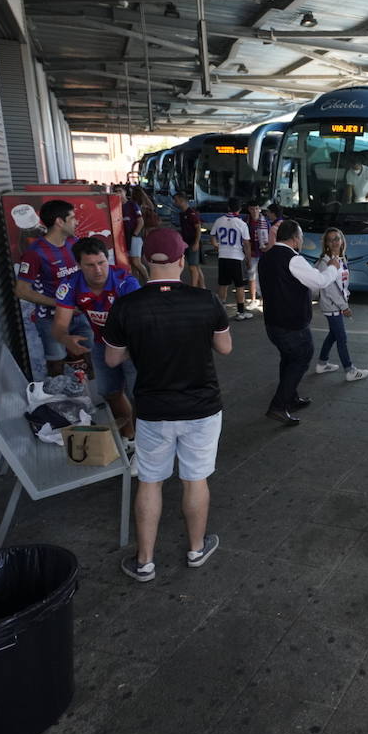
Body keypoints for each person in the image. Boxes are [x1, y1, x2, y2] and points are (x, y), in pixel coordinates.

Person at [103, 228, 231, 583]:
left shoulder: (127, 305)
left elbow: (112, 360)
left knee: (150, 482)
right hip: (202, 408)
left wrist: (137, 344)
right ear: (180, 261)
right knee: (195, 479)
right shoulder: (206, 301)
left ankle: (144, 561)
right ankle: (195, 549)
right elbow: (225, 348)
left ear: (145, 261)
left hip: (153, 410)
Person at [53, 236, 141, 443]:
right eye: (90, 265)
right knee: (109, 392)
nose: (98, 270)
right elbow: (58, 325)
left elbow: (141, 324)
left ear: (107, 258)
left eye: (102, 262)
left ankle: (143, 444)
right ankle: (129, 437)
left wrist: (128, 351)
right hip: (102, 344)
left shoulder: (126, 282)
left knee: (140, 395)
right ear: (78, 265)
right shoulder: (70, 285)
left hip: (133, 345)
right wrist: (65, 339)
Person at [256, 219, 341, 426]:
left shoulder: (265, 258)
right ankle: (279, 405)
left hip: (272, 322)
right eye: (301, 237)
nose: (302, 241)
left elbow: (259, 289)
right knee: (302, 357)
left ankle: (290, 397)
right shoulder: (293, 259)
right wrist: (333, 267)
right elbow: (319, 282)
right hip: (292, 323)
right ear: (294, 239)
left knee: (288, 358)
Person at [15, 199, 83, 377]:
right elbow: (21, 290)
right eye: (73, 217)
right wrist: (61, 304)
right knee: (56, 367)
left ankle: (91, 402)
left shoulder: (74, 243)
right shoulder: (34, 252)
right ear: (60, 222)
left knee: (86, 361)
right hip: (50, 320)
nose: (77, 221)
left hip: (80, 316)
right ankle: (59, 402)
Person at [312, 228, 368, 382]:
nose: (335, 242)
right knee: (341, 337)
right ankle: (350, 370)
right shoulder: (325, 262)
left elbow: (342, 284)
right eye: (331, 240)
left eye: (337, 238)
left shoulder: (341, 259)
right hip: (332, 306)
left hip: (337, 304)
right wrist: (344, 306)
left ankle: (322, 363)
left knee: (333, 334)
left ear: (342, 240)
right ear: (326, 244)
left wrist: (345, 299)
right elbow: (330, 289)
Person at [210, 197, 254, 320]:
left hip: (223, 256)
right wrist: (249, 260)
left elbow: (212, 236)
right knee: (239, 286)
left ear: (228, 207)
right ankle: (240, 312)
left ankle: (221, 311)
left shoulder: (219, 221)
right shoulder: (241, 224)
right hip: (237, 257)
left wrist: (217, 246)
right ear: (240, 209)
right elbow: (246, 244)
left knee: (223, 284)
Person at [242, 201, 269, 309]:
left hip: (263, 252)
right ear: (249, 209)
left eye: (257, 209)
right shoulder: (245, 222)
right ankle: (253, 299)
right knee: (251, 275)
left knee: (263, 275)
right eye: (252, 209)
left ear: (260, 209)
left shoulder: (265, 222)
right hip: (251, 252)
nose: (255, 211)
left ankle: (263, 297)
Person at [175, 192, 205, 288]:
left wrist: (196, 242)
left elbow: (198, 228)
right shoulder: (182, 213)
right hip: (186, 242)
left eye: (176, 200)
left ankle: (193, 287)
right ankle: (202, 286)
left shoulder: (191, 213)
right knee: (196, 266)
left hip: (192, 242)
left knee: (192, 267)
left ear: (182, 201)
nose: (174, 202)